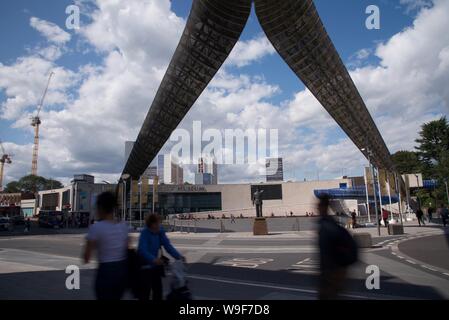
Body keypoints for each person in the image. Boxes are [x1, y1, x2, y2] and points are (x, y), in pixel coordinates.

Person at [83, 192, 129, 300]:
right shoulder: (123, 226)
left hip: (105, 272)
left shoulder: (96, 228)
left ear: (101, 208)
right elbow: (127, 248)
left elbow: (86, 258)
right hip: (121, 272)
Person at [317, 195, 358, 300]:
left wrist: (335, 275)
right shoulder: (328, 225)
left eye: (319, 205)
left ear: (323, 206)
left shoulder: (328, 227)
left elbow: (329, 254)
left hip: (330, 277)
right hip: (331, 276)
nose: (317, 208)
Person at [137, 214, 184, 300]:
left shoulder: (160, 232)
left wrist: (178, 256)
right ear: (152, 224)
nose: (160, 225)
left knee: (158, 292)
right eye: (158, 223)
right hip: (145, 267)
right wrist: (153, 259)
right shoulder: (145, 233)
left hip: (155, 268)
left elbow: (167, 246)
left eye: (160, 223)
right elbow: (142, 250)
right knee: (145, 293)